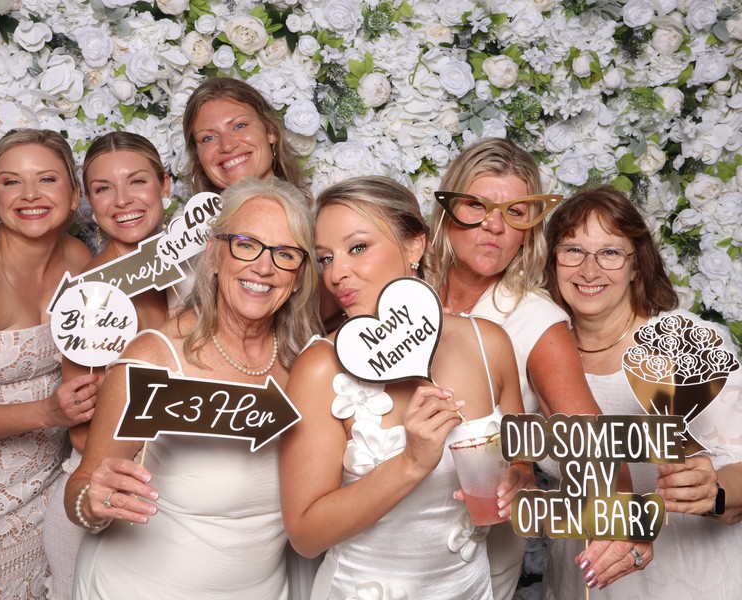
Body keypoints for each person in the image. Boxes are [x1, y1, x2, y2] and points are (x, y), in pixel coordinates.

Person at [64, 176, 322, 599]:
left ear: (298, 277)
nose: (263, 266)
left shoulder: (307, 366)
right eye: (246, 244)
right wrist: (91, 501)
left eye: (286, 254)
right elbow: (84, 486)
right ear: (215, 254)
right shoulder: (152, 360)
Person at [280, 176, 532, 598]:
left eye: (357, 247)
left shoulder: (489, 343)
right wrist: (410, 463)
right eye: (325, 258)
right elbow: (305, 535)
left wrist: (519, 481)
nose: (336, 273)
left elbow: (521, 459)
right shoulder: (320, 368)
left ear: (415, 246)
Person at [429, 137, 614, 598]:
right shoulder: (399, 289)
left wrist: (623, 520)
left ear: (528, 229)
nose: (493, 226)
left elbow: (588, 437)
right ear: (448, 212)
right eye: (477, 206)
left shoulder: (535, 317)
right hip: (386, 534)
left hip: (480, 548)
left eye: (514, 213)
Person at [541, 185, 742, 599]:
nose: (589, 270)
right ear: (552, 262)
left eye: (610, 252)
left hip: (686, 578)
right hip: (582, 579)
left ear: (637, 265)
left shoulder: (685, 343)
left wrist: (713, 492)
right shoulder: (537, 350)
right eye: (573, 250)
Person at [0, 128, 99, 599]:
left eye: (46, 179)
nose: (30, 195)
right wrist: (47, 413)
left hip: (47, 492)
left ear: (74, 196)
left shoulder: (79, 258)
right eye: (12, 182)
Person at [43, 131, 172, 600]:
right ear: (89, 203)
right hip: (100, 506)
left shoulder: (205, 277)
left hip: (179, 505)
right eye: (102, 188)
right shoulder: (88, 297)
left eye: (137, 181)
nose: (122, 201)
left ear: (166, 186)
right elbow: (81, 433)